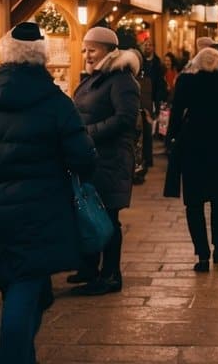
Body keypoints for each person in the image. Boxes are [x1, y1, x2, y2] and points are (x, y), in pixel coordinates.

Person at [0, 22, 97, 364]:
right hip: (44, 209)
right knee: (25, 285)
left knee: (20, 282)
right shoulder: (56, 102)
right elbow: (83, 157)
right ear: (41, 57)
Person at [69, 26, 141, 296]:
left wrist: (87, 133)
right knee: (90, 212)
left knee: (107, 216)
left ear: (109, 51)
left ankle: (111, 275)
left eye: (92, 49)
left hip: (111, 159)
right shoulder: (95, 77)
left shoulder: (121, 80)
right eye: (85, 49)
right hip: (94, 158)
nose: (86, 54)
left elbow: (125, 119)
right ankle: (90, 268)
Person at [165, 45, 218, 271]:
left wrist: (173, 136)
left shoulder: (188, 81)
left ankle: (202, 254)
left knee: (194, 202)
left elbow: (177, 110)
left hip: (193, 143)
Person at [133, 38, 168, 185]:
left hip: (149, 101)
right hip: (141, 104)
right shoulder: (140, 65)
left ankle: (145, 163)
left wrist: (157, 101)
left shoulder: (157, 63)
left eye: (150, 44)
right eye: (145, 44)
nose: (148, 47)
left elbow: (159, 84)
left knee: (146, 135)